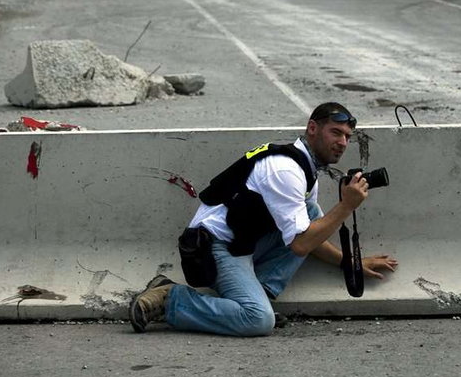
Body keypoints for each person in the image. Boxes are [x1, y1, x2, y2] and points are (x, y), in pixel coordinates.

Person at [129, 102, 398, 336]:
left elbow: (309, 235)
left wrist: (350, 263)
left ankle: (259, 293)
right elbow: (302, 245)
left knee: (312, 215)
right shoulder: (285, 170)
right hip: (215, 247)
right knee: (257, 320)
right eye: (335, 133)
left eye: (347, 137)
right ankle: (172, 298)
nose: (342, 142)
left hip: (244, 242)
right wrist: (346, 206)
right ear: (312, 128)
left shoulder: (304, 167)